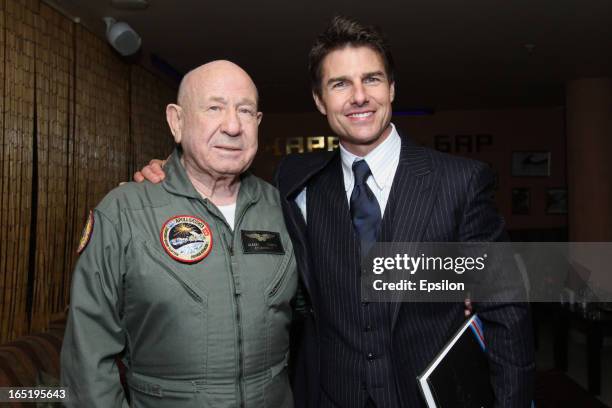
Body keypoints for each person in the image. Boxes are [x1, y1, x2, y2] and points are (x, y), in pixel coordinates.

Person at [136, 17, 535, 408]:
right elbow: (223, 197)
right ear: (319, 100)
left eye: (372, 79)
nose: (359, 96)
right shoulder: (295, 180)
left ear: (392, 89)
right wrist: (170, 176)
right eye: (340, 84)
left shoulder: (460, 182)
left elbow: (506, 311)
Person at [61, 60, 297, 408]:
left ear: (258, 123)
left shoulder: (283, 209)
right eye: (214, 107)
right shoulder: (125, 213)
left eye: (245, 111)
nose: (232, 125)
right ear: (177, 120)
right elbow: (87, 361)